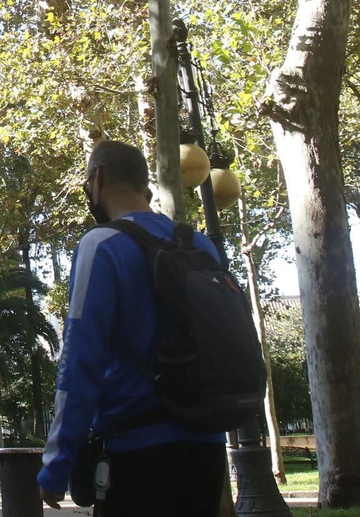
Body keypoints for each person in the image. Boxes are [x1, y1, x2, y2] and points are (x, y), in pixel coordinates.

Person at [37, 140, 227, 517]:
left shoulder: (101, 245)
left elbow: (80, 363)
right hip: (207, 448)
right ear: (146, 184)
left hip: (137, 452)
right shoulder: (200, 243)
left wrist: (57, 465)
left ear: (98, 177)